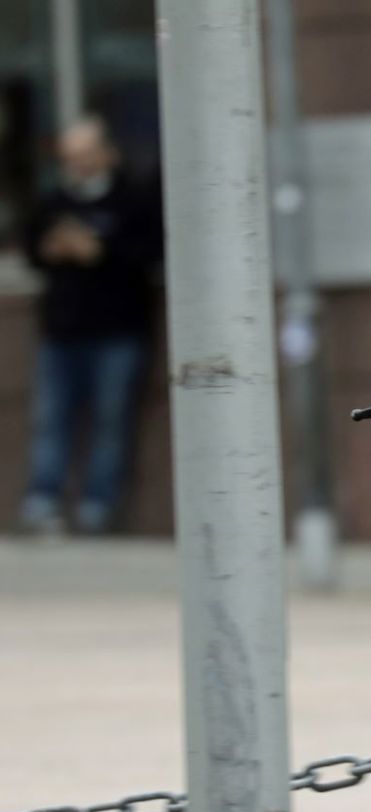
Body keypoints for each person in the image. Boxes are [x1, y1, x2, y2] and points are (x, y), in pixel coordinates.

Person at [18, 115, 160, 536]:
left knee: (110, 423)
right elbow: (33, 252)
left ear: (106, 153)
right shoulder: (53, 201)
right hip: (61, 330)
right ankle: (43, 502)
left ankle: (98, 506)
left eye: (85, 154)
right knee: (51, 420)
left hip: (117, 329)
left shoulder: (131, 200)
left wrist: (98, 251)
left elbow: (147, 255)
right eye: (70, 157)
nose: (78, 164)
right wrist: (52, 249)